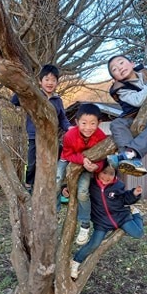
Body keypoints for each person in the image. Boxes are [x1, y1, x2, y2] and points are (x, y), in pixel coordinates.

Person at [70, 162, 143, 279]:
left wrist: (134, 194)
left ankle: (137, 213)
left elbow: (125, 198)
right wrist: (66, 191)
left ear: (115, 175)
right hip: (101, 222)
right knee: (93, 244)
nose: (107, 176)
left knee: (138, 233)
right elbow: (79, 191)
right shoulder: (91, 185)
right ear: (98, 172)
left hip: (121, 217)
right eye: (104, 172)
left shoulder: (118, 185)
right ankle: (75, 262)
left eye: (111, 174)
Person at [106, 55, 147, 176]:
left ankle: (128, 156)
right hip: (131, 117)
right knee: (116, 124)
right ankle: (130, 159)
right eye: (114, 69)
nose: (119, 68)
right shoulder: (120, 89)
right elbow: (138, 100)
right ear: (115, 79)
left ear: (132, 64)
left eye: (121, 63)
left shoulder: (145, 71)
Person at [11, 64, 72, 193]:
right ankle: (28, 185)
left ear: (57, 82)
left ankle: (52, 187)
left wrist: (69, 128)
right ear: (40, 81)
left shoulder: (58, 100)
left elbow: (62, 119)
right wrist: (23, 86)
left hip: (51, 138)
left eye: (53, 80)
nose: (50, 83)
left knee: (51, 164)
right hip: (35, 136)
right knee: (32, 163)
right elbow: (15, 100)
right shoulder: (34, 95)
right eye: (47, 79)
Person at [56, 103, 107, 245]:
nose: (88, 127)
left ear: (99, 123)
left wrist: (96, 167)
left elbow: (102, 158)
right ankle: (55, 210)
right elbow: (67, 154)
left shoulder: (101, 137)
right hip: (69, 158)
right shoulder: (69, 135)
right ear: (77, 122)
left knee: (83, 192)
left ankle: (85, 224)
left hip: (87, 166)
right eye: (84, 123)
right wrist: (82, 159)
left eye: (92, 123)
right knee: (57, 178)